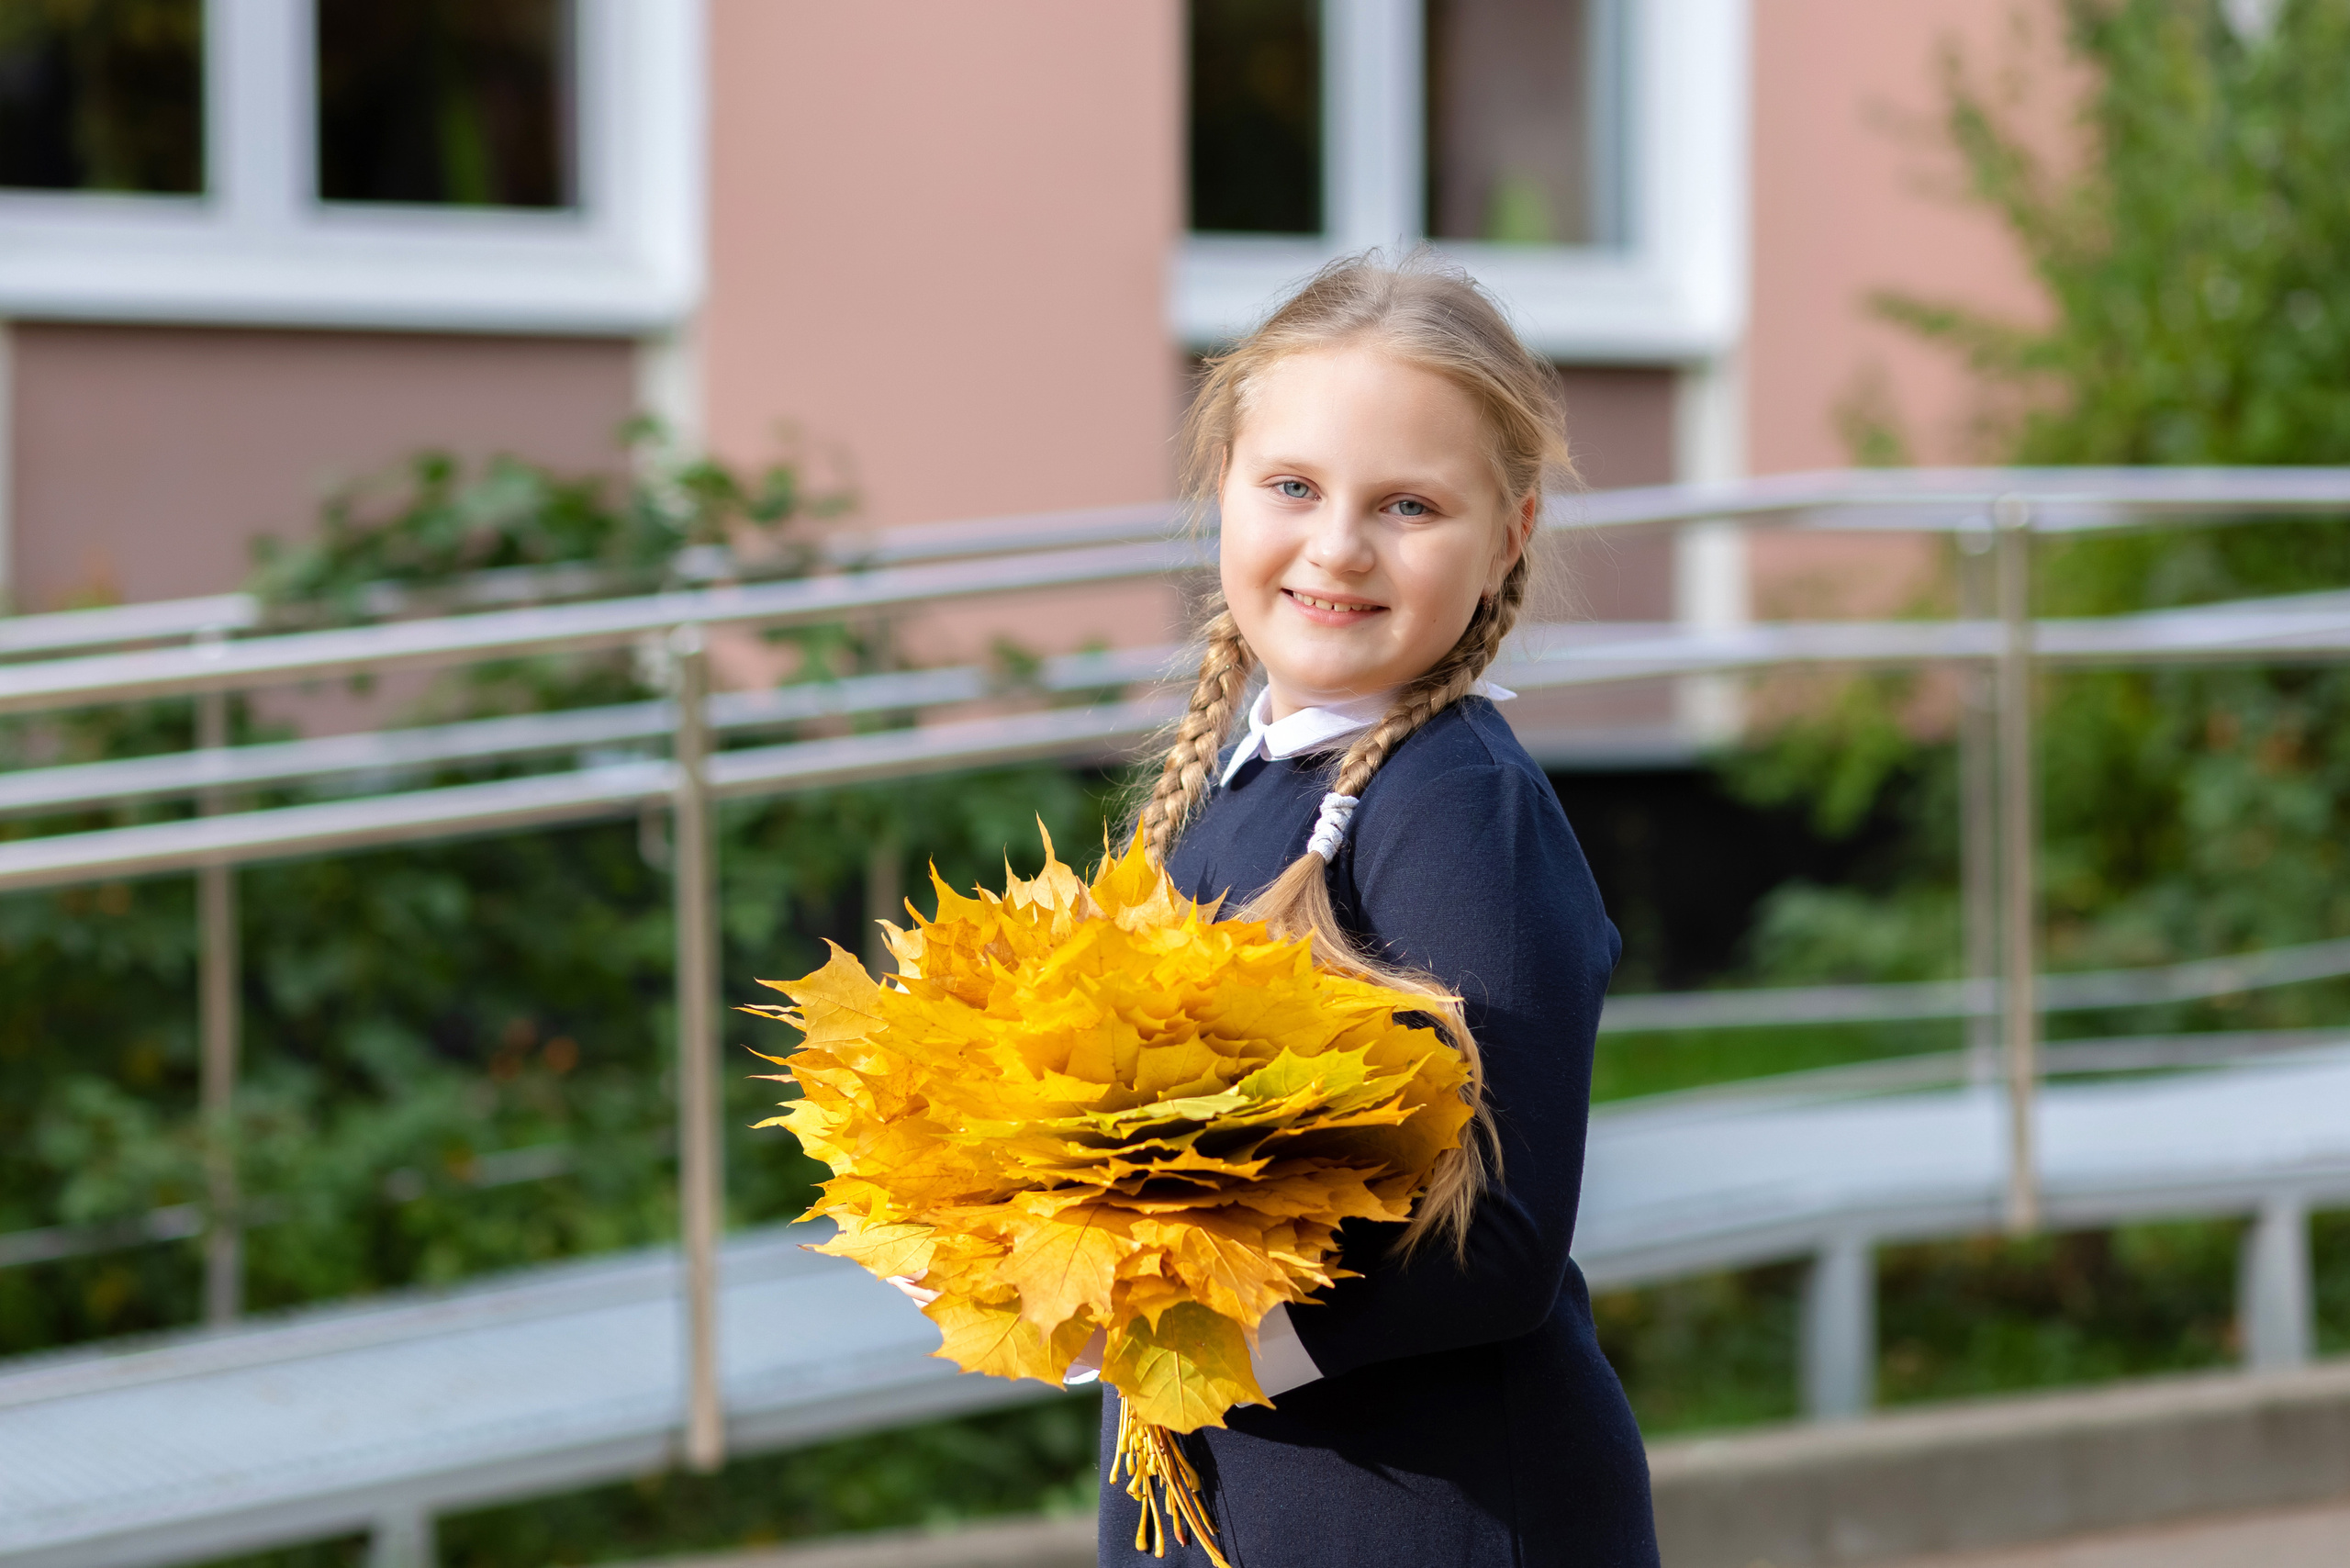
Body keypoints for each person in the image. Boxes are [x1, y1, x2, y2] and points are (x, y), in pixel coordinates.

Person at [1101, 253, 1657, 1566]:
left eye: (1407, 504)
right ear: (1224, 487)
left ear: (1507, 534)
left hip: (1424, 1510)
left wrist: (1184, 1339)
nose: (1338, 546)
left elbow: (1503, 1240)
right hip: (1236, 1492)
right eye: (1292, 487)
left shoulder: (1458, 804)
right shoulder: (1239, 783)